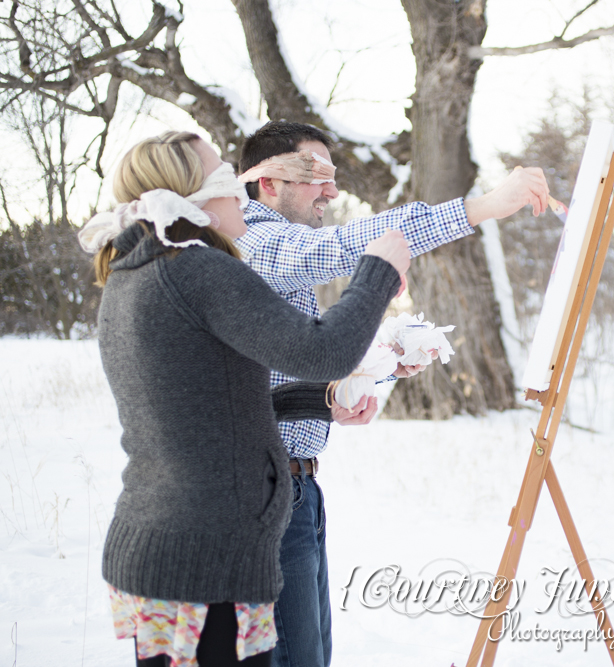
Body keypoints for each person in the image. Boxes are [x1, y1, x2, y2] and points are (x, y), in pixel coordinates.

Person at [82, 130, 410, 666]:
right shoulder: (197, 269)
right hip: (208, 561)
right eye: (221, 178)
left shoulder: (138, 272)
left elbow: (210, 407)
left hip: (164, 550)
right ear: (188, 196)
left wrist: (319, 403)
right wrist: (377, 271)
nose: (238, 191)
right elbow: (321, 350)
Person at [235, 120, 550, 667]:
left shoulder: (274, 251)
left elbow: (286, 370)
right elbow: (337, 249)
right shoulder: (256, 240)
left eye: (333, 176)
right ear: (267, 182)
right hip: (269, 495)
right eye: (315, 174)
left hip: (296, 490)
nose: (331, 191)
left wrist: (364, 369)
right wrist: (485, 207)